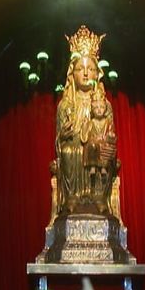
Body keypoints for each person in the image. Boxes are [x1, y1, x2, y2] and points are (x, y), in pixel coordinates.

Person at [53, 27, 117, 216]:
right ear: (72, 74)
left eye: (91, 69)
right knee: (68, 152)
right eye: (81, 69)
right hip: (73, 147)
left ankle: (99, 197)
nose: (86, 73)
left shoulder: (104, 104)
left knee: (103, 153)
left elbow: (111, 131)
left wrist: (108, 141)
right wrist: (63, 135)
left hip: (98, 149)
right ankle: (72, 198)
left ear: (98, 73)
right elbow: (58, 139)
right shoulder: (65, 104)